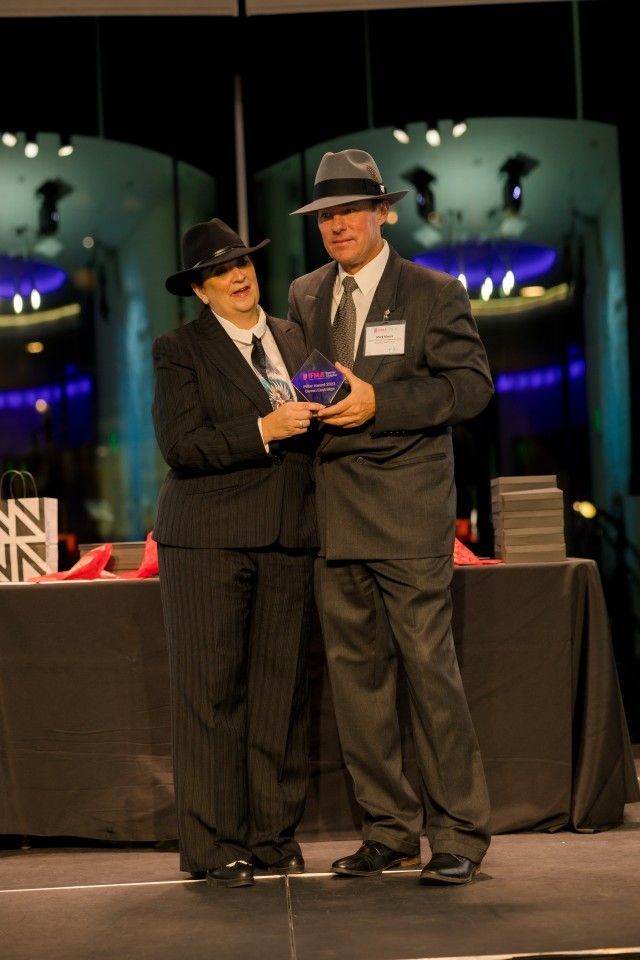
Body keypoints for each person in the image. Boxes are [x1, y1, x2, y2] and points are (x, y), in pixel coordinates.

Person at [288, 149, 494, 885]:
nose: (337, 225)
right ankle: (390, 831)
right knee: (357, 683)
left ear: (384, 211)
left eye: (350, 210)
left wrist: (382, 403)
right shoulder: (306, 293)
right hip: (333, 514)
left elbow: (470, 388)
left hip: (407, 511)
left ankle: (461, 833)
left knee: (429, 674)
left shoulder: (433, 292)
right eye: (325, 215)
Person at [152, 217, 322, 888]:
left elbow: (327, 406)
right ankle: (215, 843)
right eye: (223, 270)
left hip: (288, 534)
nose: (240, 274)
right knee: (212, 696)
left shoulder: (292, 336)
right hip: (209, 540)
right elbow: (181, 445)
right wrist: (262, 428)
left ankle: (272, 836)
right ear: (201, 289)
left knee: (280, 694)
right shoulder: (179, 349)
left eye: (245, 263)